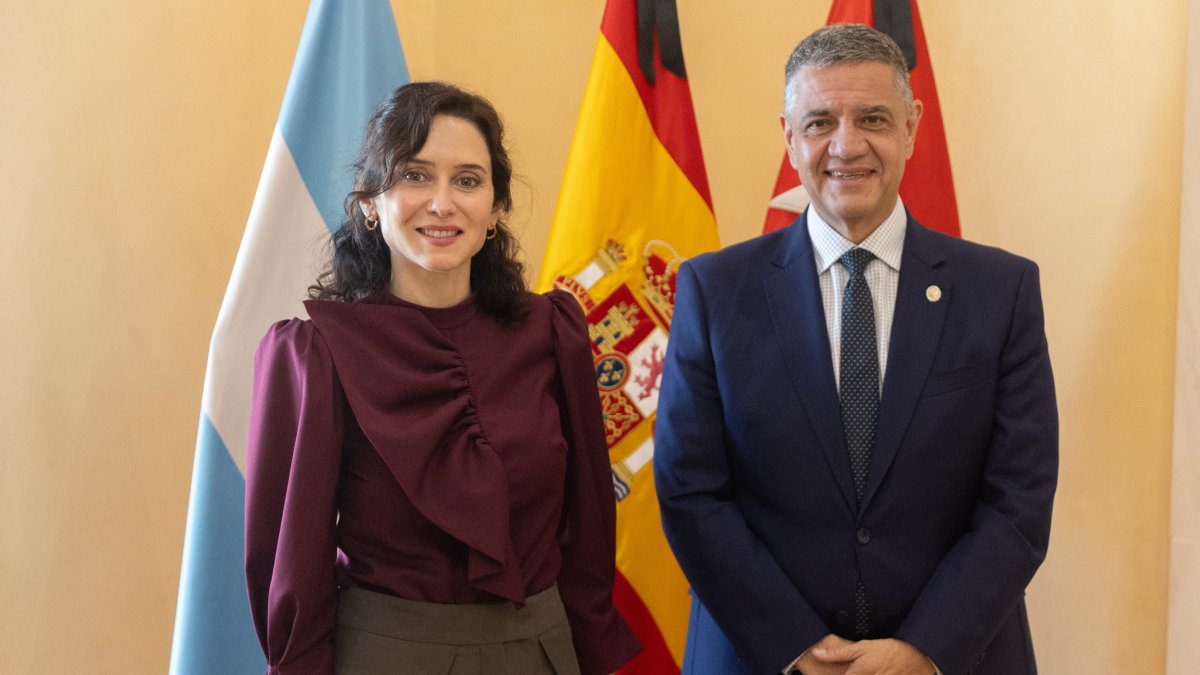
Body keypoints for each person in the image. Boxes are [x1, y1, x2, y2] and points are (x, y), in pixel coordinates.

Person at [654, 24, 1057, 675]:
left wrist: (927, 646)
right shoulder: (715, 290)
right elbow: (690, 489)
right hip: (764, 654)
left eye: (872, 117)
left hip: (956, 655)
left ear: (911, 125)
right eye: (820, 122)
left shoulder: (1000, 291)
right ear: (788, 135)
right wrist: (790, 640)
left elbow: (1019, 497)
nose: (847, 145)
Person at [245, 81, 639, 675]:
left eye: (468, 180)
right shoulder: (316, 352)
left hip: (541, 653)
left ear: (496, 207)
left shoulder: (552, 332)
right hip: (385, 658)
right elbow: (288, 560)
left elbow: (588, 532)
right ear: (371, 203)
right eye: (415, 175)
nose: (442, 202)